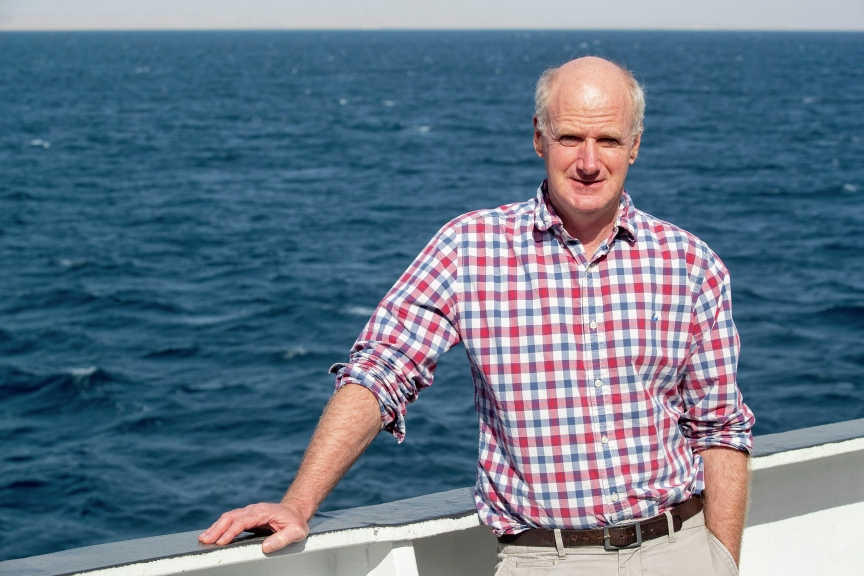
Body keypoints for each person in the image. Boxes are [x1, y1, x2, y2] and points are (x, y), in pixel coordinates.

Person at [199, 56, 754, 575]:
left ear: (634, 146)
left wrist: (720, 562)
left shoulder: (690, 263)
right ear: (539, 136)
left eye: (607, 139)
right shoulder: (469, 249)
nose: (589, 161)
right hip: (546, 559)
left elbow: (721, 430)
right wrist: (299, 502)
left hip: (678, 551)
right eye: (569, 138)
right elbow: (382, 372)